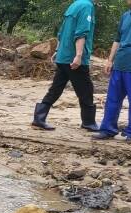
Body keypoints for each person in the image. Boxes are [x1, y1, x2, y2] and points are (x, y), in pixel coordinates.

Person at [32, 0, 99, 132]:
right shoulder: (87, 6)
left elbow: (62, 32)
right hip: (73, 58)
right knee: (86, 90)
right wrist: (79, 56)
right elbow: (81, 33)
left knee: (56, 88)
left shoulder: (74, 5)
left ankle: (39, 118)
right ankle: (89, 122)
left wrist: (58, 50)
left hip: (63, 56)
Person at [93, 0, 131, 144]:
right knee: (112, 99)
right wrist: (110, 60)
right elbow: (117, 39)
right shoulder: (126, 15)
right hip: (120, 64)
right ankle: (107, 129)